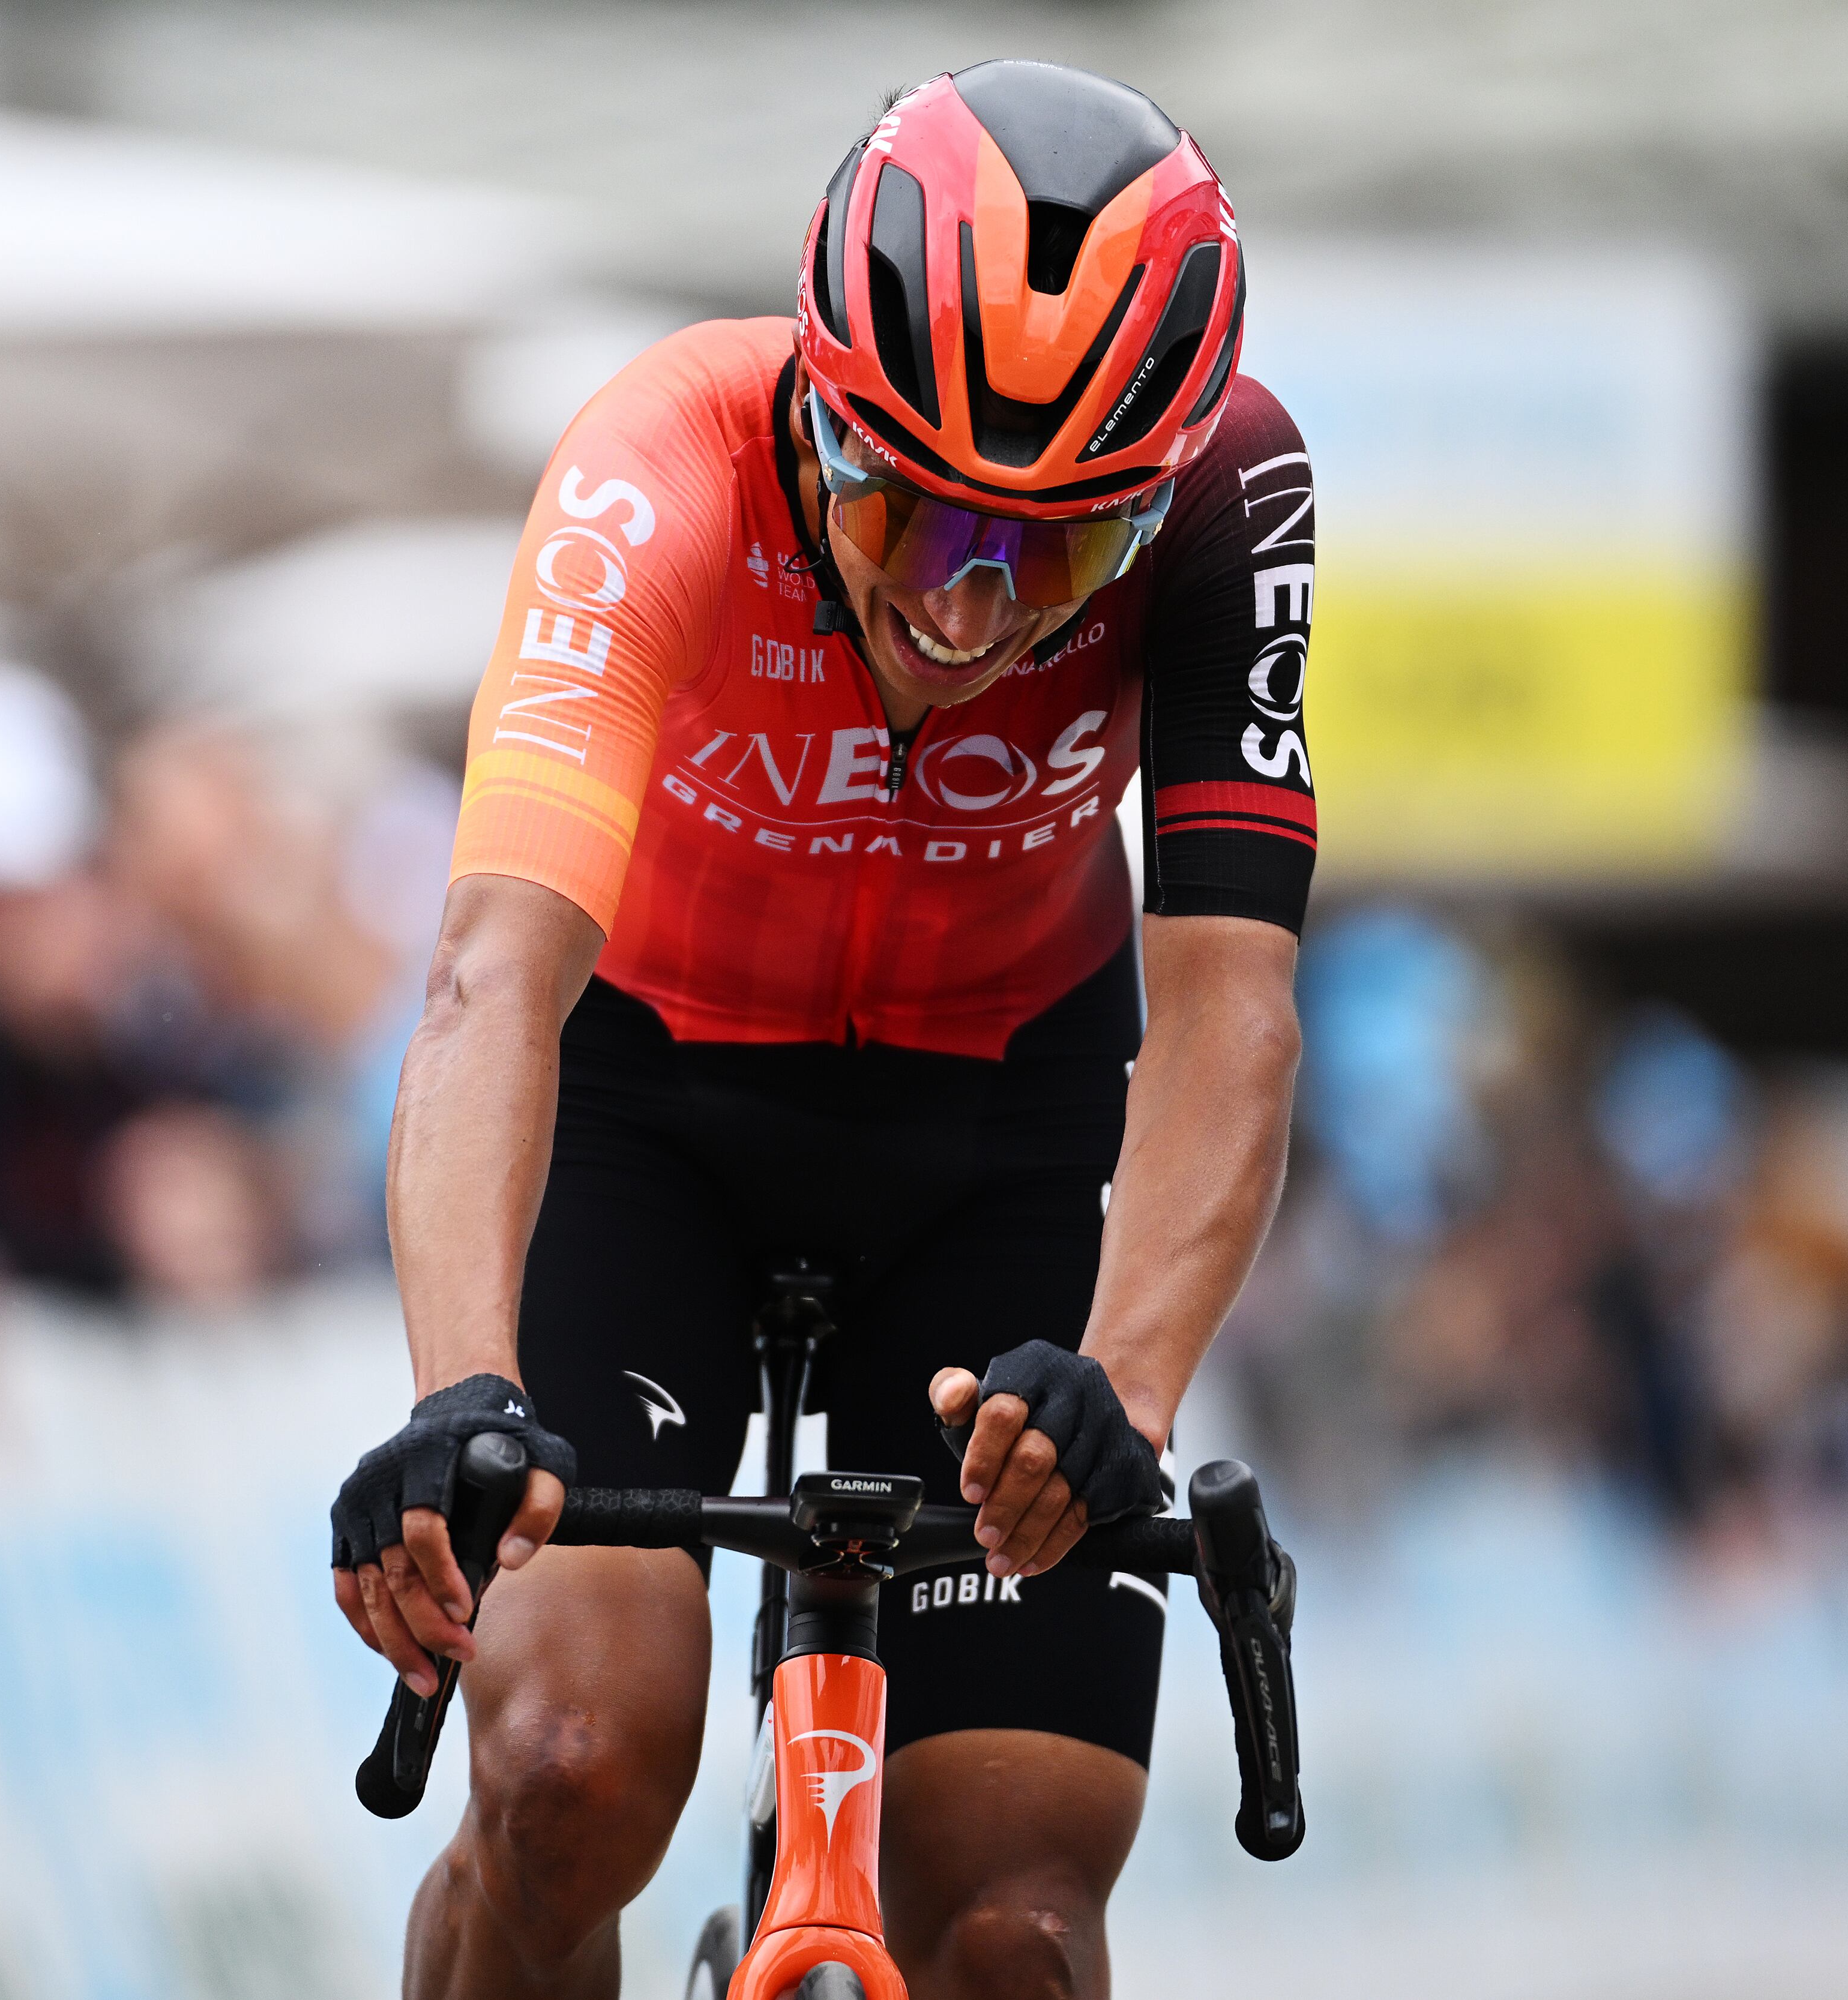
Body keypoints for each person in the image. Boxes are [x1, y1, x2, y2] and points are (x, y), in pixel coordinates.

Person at [330, 62, 1314, 2000]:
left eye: (1061, 544)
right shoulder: (660, 458)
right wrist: (461, 1391)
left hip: (1000, 1132)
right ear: (819, 410)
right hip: (653, 1108)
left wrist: (1128, 1381)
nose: (972, 602)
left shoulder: (1235, 489)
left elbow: (1232, 1007)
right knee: (563, 1776)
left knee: (1015, 1931)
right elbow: (492, 976)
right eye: (916, 508)